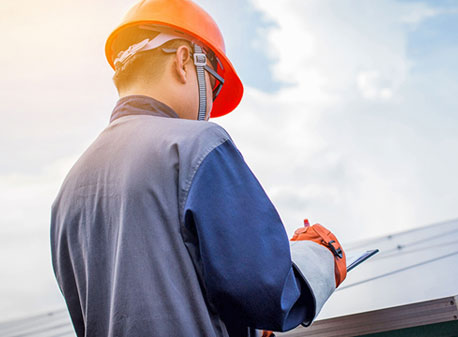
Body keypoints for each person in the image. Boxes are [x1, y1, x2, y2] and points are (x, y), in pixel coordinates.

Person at [50, 0, 347, 336]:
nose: (212, 102)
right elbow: (268, 293)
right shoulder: (197, 145)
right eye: (215, 84)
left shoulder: (68, 191)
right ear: (183, 60)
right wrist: (321, 255)